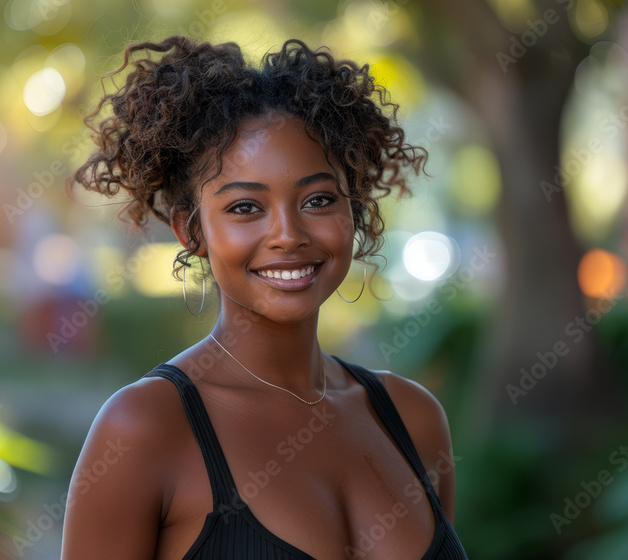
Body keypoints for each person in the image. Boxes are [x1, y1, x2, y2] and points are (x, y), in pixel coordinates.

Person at [61, 35, 468, 559]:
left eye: (318, 199)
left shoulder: (413, 419)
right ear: (191, 230)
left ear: (354, 210)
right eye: (246, 208)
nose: (287, 234)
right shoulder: (145, 428)